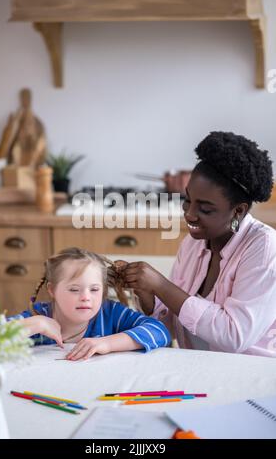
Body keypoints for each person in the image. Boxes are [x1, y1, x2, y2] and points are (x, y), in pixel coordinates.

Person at [118, 132, 276, 357]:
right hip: (198, 368)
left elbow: (234, 336)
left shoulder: (264, 248)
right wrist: (147, 294)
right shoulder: (195, 243)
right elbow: (173, 325)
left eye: (205, 208)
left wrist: (161, 286)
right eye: (187, 200)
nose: (190, 215)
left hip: (251, 376)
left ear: (238, 211)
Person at [8, 247, 171, 361]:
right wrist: (36, 324)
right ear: (52, 290)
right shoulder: (38, 317)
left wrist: (107, 343)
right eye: (74, 289)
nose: (86, 297)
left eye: (94, 289)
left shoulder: (110, 314)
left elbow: (160, 331)